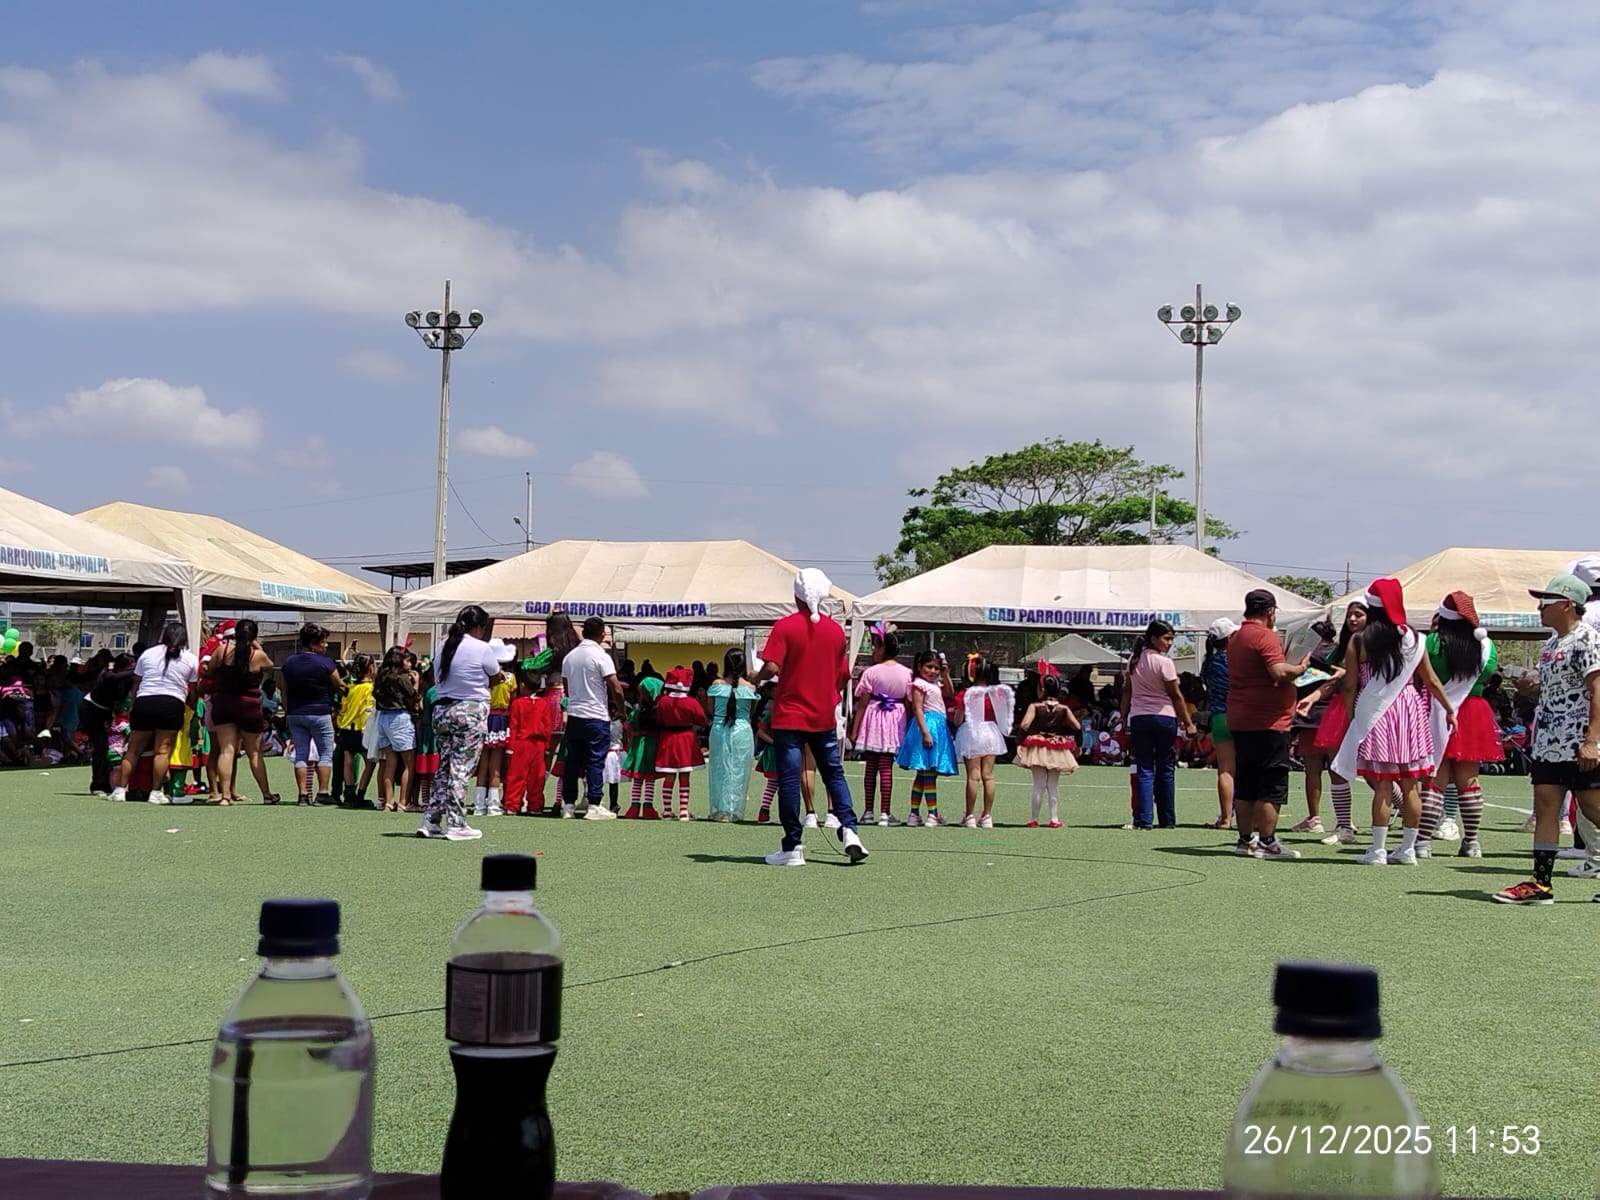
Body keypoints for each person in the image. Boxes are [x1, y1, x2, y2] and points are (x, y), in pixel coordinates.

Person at [1493, 574, 1600, 904]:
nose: (1539, 608)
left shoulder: (1588, 640)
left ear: (1567, 605)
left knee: (1593, 808)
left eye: (1545, 602)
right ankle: (1540, 884)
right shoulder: (1551, 644)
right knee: (1545, 807)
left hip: (1579, 742)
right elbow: (1554, 691)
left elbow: (1598, 690)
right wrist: (1531, 688)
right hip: (1550, 742)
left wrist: (1592, 740)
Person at [1332, 579, 1454, 867]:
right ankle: (1408, 849)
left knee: (1383, 785)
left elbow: (1349, 685)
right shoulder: (1415, 638)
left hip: (1375, 711)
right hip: (1410, 709)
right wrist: (1449, 709)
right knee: (1411, 785)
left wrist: (1353, 716)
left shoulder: (1359, 639)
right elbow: (1431, 680)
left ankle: (1378, 850)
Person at [756, 568, 867, 865]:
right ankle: (850, 830)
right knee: (834, 773)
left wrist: (755, 677)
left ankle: (793, 846)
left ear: (796, 596)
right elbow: (842, 675)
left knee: (790, 779)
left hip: (789, 716)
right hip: (823, 715)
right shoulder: (835, 631)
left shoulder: (784, 627)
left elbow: (772, 667)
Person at [1415, 592, 1501, 859]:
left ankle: (1422, 842)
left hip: (1436, 710)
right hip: (1474, 711)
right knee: (1469, 781)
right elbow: (1488, 676)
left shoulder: (1430, 642)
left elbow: (1422, 677)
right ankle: (1472, 842)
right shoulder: (1487, 646)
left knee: (1434, 780)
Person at [1227, 590, 1311, 861]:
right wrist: (1301, 668)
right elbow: (1279, 672)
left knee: (1246, 782)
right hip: (1269, 720)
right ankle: (1267, 841)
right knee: (1271, 782)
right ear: (1270, 611)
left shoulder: (1236, 637)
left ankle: (1245, 840)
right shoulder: (1266, 636)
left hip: (1241, 717)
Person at [420, 604, 504, 840]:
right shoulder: (481, 648)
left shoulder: (443, 645)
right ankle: (456, 823)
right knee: (461, 769)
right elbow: (495, 676)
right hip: (470, 711)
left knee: (444, 768)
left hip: (442, 710)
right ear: (478, 627)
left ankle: (431, 820)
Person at [1297, 603, 1368, 846]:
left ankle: (1410, 816)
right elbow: (1333, 681)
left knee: (1375, 773)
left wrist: (1343, 675)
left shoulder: (1378, 644)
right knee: (1337, 768)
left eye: (1359, 615)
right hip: (1340, 710)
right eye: (1350, 615)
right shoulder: (1341, 647)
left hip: (1369, 708)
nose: (1353, 619)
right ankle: (1343, 825)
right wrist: (1311, 698)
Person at [1119, 619, 1196, 830]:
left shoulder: (1134, 660)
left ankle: (1144, 819)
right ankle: (1167, 819)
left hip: (1139, 718)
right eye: (1166, 638)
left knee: (1144, 768)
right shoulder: (1165, 662)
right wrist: (1188, 722)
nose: (1170, 643)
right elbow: (1176, 695)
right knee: (1165, 769)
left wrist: (1123, 716)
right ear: (1153, 639)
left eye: (1171, 639)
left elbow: (1127, 691)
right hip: (1164, 718)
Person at [110, 623, 199, 804]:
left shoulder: (148, 654)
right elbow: (193, 689)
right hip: (172, 703)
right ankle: (156, 792)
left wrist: (133, 705)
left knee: (133, 750)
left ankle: (120, 790)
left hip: (145, 701)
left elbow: (136, 682)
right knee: (162, 751)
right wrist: (193, 706)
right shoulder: (190, 659)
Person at [559, 616, 623, 820]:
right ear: (602, 634)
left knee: (572, 761)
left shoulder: (569, 657)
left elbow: (567, 688)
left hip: (575, 715)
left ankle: (568, 805)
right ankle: (594, 804)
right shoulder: (601, 656)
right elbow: (616, 687)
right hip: (596, 715)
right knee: (595, 761)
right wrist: (621, 710)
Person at [850, 624, 913, 826]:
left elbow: (862, 704)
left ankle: (868, 811)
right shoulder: (907, 673)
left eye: (875, 648)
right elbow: (909, 702)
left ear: (881, 648)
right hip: (895, 719)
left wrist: (855, 729)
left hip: (874, 719)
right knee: (886, 767)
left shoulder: (871, 672)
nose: (873, 652)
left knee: (871, 767)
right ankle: (885, 812)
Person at [282, 623, 346, 806]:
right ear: (313, 644)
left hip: (295, 713)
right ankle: (322, 793)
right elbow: (340, 686)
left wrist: (287, 711)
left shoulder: (289, 662)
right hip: (320, 713)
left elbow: (284, 689)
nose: (326, 645)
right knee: (325, 753)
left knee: (301, 754)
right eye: (323, 642)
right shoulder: (325, 663)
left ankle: (303, 795)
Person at [896, 650, 958, 826]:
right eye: (929, 667)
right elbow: (917, 708)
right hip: (928, 726)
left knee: (923, 774)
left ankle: (915, 814)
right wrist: (925, 732)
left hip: (938, 726)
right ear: (919, 666)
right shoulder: (918, 684)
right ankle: (932, 814)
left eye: (936, 668)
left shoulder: (936, 684)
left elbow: (950, 692)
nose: (932, 671)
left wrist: (946, 674)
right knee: (928, 773)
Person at [1015, 663, 1080, 827]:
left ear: (1041, 689)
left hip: (1037, 746)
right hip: (1057, 746)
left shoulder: (1035, 706)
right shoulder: (1063, 709)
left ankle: (1034, 819)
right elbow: (1077, 726)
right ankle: (1054, 818)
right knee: (1053, 785)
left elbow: (1024, 725)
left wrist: (1019, 742)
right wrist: (1078, 745)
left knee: (1038, 784)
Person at [954, 655, 1014, 828]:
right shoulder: (997, 693)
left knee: (973, 777)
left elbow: (958, 719)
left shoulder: (966, 694)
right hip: (991, 733)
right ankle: (987, 815)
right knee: (988, 776)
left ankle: (969, 815)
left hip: (972, 732)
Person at [706, 648, 758, 822]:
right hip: (742, 729)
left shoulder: (716, 685)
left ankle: (720, 809)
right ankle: (735, 809)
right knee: (740, 769)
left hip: (720, 727)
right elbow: (751, 712)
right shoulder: (750, 687)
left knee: (718, 768)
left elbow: (710, 709)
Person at [654, 667, 709, 819]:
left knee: (669, 776)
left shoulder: (663, 701)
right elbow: (702, 720)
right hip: (686, 740)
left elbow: (658, 719)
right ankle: (683, 810)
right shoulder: (692, 702)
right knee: (685, 776)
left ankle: (667, 810)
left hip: (668, 739)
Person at [80, 652, 137, 796]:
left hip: (106, 713)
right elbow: (116, 678)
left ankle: (110, 783)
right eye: (131, 667)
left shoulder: (130, 680)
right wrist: (139, 669)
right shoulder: (108, 675)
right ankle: (97, 785)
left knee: (111, 747)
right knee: (101, 746)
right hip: (90, 710)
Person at [1200, 618, 1237, 830]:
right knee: (1245, 768)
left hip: (1219, 717)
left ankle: (1225, 818)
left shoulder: (1209, 663)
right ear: (1230, 638)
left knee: (1225, 770)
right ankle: (1248, 817)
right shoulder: (1237, 660)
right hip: (1240, 715)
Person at [373, 646, 419, 813]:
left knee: (390, 764)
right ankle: (403, 802)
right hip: (399, 718)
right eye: (407, 660)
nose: (410, 664)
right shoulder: (402, 678)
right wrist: (416, 683)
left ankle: (389, 801)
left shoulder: (381, 677)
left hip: (382, 718)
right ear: (399, 661)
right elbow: (413, 696)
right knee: (409, 763)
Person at [504, 665, 555, 816]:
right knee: (537, 777)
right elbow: (548, 727)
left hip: (521, 744)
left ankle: (512, 805)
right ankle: (535, 806)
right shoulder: (543, 704)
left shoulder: (517, 703)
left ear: (522, 685)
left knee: (516, 776)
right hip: (539, 745)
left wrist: (510, 747)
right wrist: (547, 747)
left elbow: (513, 726)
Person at [475, 640, 516, 816]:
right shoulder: (510, 678)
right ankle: (493, 804)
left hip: (483, 716)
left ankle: (479, 804)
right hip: (501, 720)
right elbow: (512, 700)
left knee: (483, 763)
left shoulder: (481, 675)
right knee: (496, 764)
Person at [334, 654, 376, 807]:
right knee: (370, 763)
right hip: (362, 729)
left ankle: (349, 794)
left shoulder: (349, 688)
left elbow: (343, 707)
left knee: (348, 762)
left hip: (346, 727)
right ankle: (361, 794)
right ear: (371, 668)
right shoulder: (370, 688)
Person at [621, 676, 665, 818]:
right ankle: (648, 807)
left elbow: (628, 729)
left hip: (637, 747)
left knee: (638, 779)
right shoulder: (659, 713)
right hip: (652, 747)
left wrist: (629, 746)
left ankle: (634, 807)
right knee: (650, 779)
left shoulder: (635, 713)